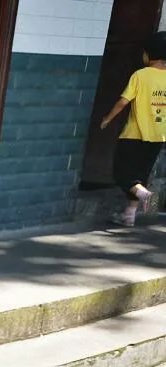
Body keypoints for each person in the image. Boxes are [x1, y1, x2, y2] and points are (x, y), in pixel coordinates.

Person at [100, 31, 166, 227]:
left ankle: (147, 196)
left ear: (148, 54)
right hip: (158, 135)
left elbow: (123, 102)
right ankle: (129, 215)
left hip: (134, 134)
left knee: (123, 174)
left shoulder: (141, 75)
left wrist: (107, 119)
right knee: (140, 175)